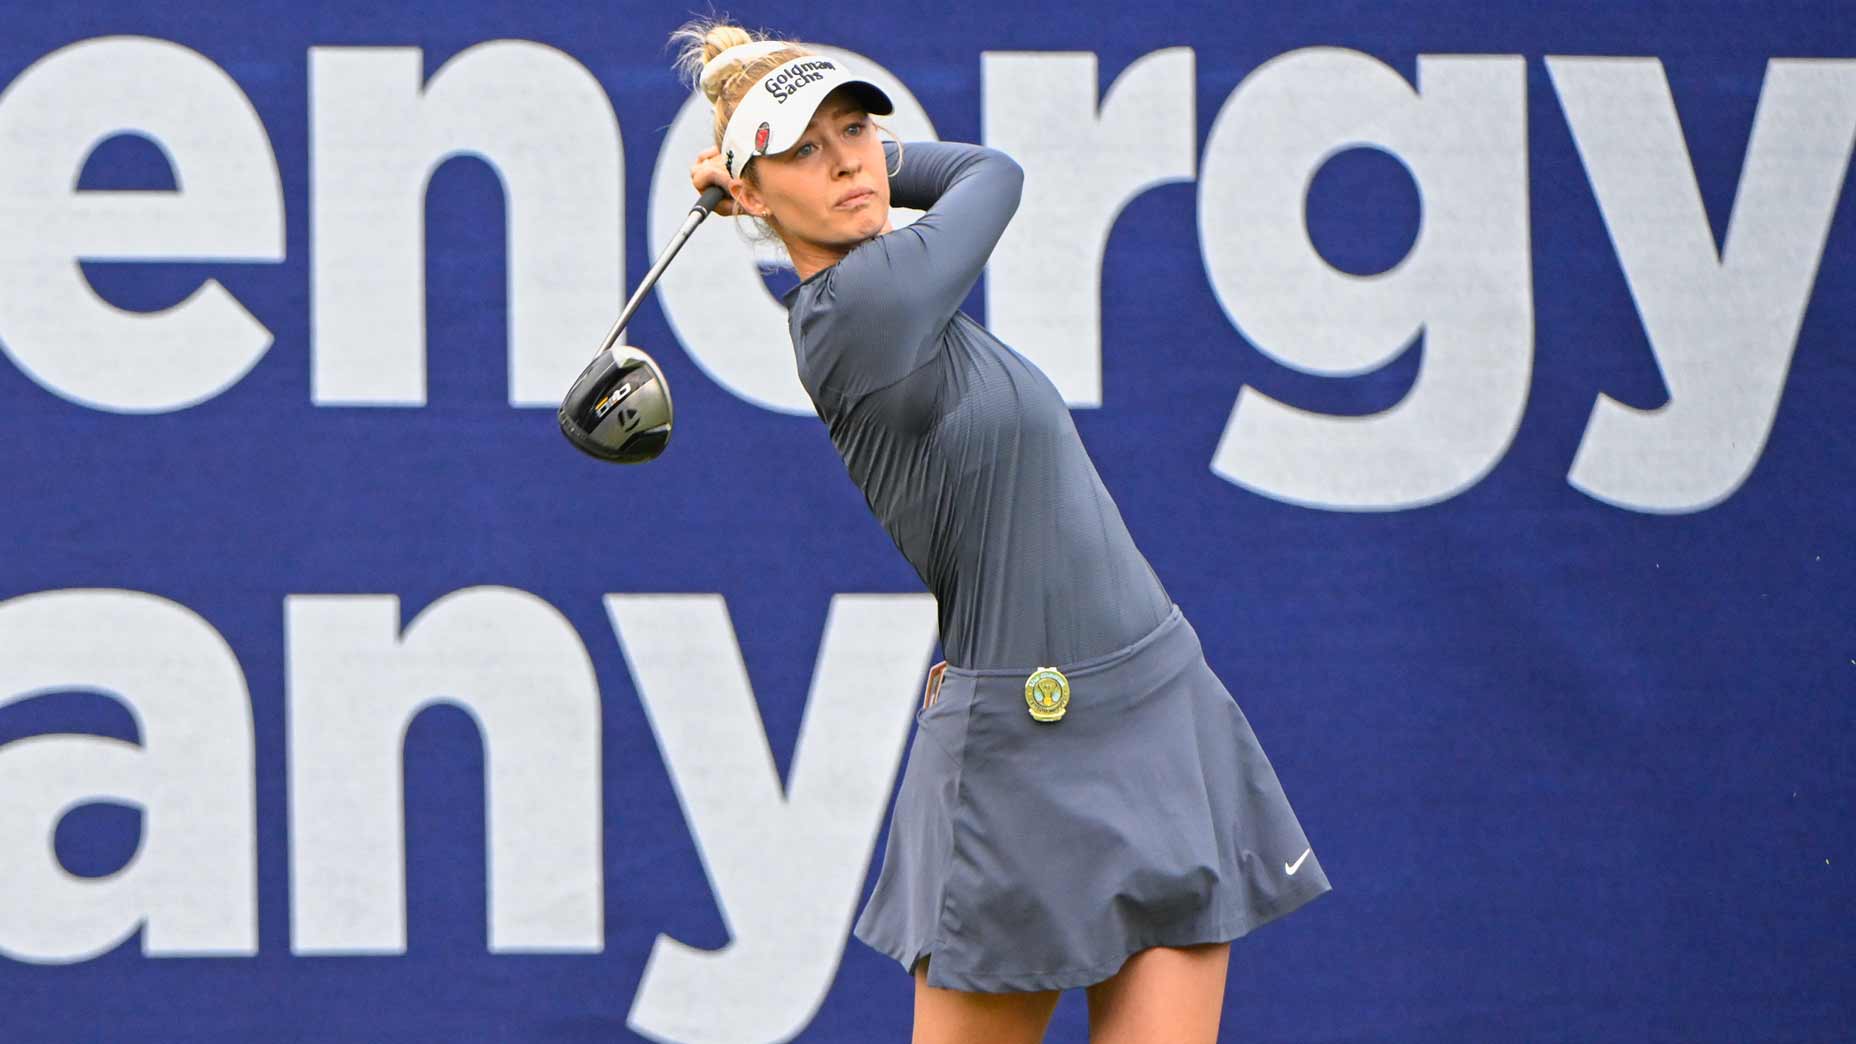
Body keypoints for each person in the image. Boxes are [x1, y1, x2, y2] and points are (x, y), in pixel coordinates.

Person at [672, 19, 1332, 1044]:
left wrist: (784, 163)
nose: (847, 158)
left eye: (854, 130)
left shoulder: (900, 296)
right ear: (752, 196)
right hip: (1023, 754)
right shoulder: (860, 310)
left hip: (1156, 708)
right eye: (806, 147)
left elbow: (944, 178)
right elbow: (990, 172)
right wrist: (848, 170)